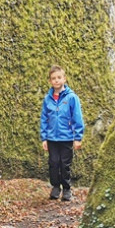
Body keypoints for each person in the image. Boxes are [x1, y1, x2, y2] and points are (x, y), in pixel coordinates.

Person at [40, 65, 84, 202]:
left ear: (64, 79)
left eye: (59, 77)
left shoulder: (72, 98)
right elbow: (44, 119)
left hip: (66, 137)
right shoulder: (47, 99)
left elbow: (77, 117)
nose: (56, 80)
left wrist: (78, 137)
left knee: (65, 164)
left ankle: (66, 189)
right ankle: (55, 187)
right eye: (53, 78)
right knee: (53, 163)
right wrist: (44, 138)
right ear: (50, 81)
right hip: (52, 138)